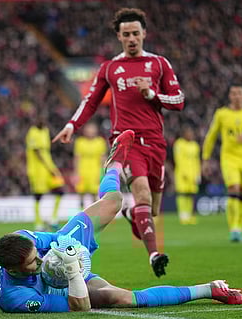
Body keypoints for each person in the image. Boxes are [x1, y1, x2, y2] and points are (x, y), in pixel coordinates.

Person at [0, 130, 242, 313]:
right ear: (14, 271)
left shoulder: (24, 239)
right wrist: (72, 271)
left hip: (65, 255)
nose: (40, 260)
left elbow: (55, 239)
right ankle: (210, 289)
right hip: (57, 286)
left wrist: (68, 250)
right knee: (123, 299)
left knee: (114, 201)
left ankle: (113, 166)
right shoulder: (17, 298)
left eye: (37, 255)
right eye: (33, 262)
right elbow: (79, 307)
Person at [52, 8, 185, 277]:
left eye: (136, 33)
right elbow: (90, 100)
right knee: (144, 195)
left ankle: (130, 213)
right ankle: (154, 255)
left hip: (156, 144)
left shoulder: (160, 64)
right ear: (119, 36)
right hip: (127, 141)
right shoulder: (110, 68)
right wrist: (71, 125)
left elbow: (178, 100)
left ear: (144, 33)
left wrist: (152, 94)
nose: (132, 38)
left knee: (152, 209)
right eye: (126, 34)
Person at [202, 85, 242, 242]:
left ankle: (239, 226)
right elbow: (211, 136)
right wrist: (206, 158)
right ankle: (234, 227)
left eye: (240, 93)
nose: (237, 96)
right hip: (229, 158)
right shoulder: (222, 114)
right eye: (233, 93)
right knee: (233, 188)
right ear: (229, 96)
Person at [26, 114, 65, 231]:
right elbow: (37, 152)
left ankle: (53, 219)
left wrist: (50, 167)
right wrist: (49, 168)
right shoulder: (32, 132)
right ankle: (38, 224)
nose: (42, 121)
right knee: (38, 196)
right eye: (39, 119)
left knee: (60, 190)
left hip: (49, 166)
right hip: (37, 169)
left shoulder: (45, 131)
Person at [73, 122, 107, 210]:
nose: (90, 132)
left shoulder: (100, 142)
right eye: (88, 130)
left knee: (94, 194)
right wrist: (76, 173)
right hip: (82, 170)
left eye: (92, 129)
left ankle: (94, 214)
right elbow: (77, 158)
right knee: (81, 193)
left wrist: (102, 172)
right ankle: (80, 213)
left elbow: (103, 159)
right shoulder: (80, 142)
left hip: (95, 171)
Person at [173, 125, 201, 225]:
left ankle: (189, 215)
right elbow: (178, 159)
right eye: (188, 133)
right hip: (182, 174)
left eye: (191, 133)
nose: (190, 135)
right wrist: (183, 172)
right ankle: (183, 215)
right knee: (182, 194)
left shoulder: (195, 145)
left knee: (191, 195)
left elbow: (197, 161)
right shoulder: (179, 144)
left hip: (193, 174)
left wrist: (198, 174)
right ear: (184, 134)